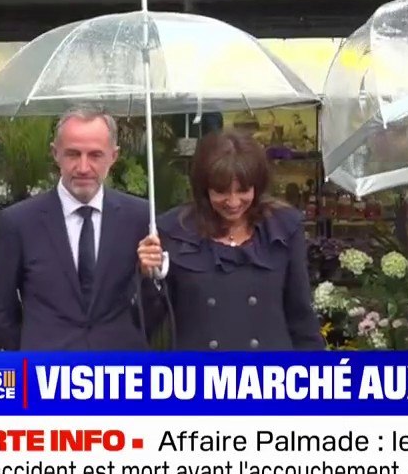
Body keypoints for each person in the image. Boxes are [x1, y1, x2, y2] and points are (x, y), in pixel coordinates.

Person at [136, 130, 323, 351]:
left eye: (243, 191)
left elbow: (301, 316)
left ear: (257, 185)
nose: (233, 202)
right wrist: (149, 278)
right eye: (221, 191)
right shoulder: (173, 231)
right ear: (204, 188)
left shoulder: (283, 228)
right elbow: (147, 322)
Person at [0, 108, 152, 350]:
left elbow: (154, 306)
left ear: (113, 156)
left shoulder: (140, 217)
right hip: (46, 372)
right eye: (73, 154)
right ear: (55, 153)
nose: (83, 167)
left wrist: (153, 274)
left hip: (119, 372)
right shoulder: (19, 222)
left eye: (95, 155)